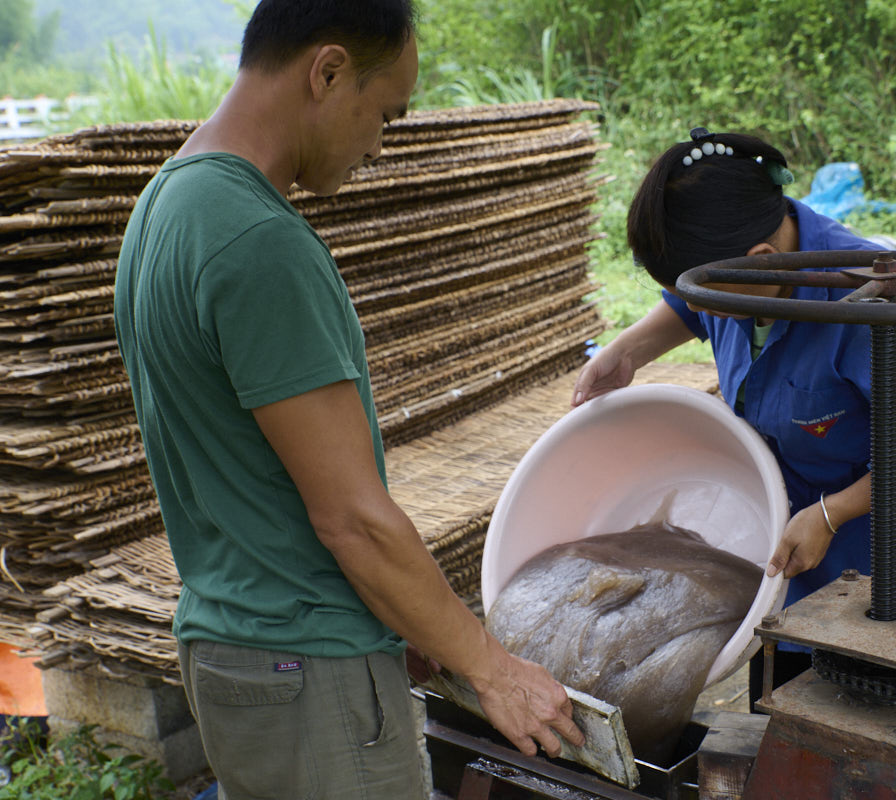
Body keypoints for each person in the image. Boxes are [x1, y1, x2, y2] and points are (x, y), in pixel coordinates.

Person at [112, 2, 583, 797]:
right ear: (327, 72)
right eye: (385, 116)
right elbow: (351, 519)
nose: (377, 148)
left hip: (232, 651)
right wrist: (491, 667)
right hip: (309, 670)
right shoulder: (258, 242)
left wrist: (408, 618)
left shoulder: (167, 205)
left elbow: (249, 471)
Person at [572, 127, 896, 707]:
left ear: (762, 261)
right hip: (784, 565)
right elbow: (689, 300)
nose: (703, 309)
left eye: (709, 298)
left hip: (888, 580)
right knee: (786, 714)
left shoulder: (881, 306)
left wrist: (832, 513)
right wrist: (627, 350)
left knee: (888, 723)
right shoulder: (741, 258)